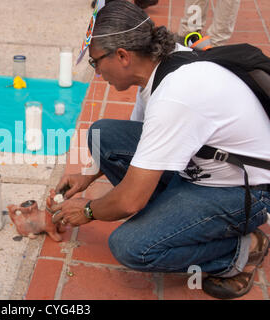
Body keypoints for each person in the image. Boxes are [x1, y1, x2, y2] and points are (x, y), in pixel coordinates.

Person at [47, 0, 270, 300]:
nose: (97, 72)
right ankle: (174, 218)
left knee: (131, 247)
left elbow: (129, 202)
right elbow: (139, 138)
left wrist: (88, 210)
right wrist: (87, 176)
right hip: (206, 167)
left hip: (246, 191)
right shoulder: (162, 62)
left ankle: (241, 249)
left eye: (95, 61)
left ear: (123, 56)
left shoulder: (174, 97)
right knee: (104, 135)